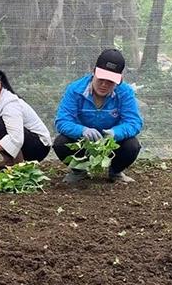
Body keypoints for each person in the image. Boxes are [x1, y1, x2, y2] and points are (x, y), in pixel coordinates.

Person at [53, 48, 143, 184]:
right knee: (61, 143)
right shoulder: (75, 89)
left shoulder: (125, 92)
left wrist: (115, 133)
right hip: (82, 143)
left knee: (132, 145)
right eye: (101, 79)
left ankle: (116, 172)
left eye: (110, 81)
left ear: (119, 80)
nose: (104, 84)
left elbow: (134, 122)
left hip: (112, 145)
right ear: (93, 71)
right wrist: (82, 131)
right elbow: (62, 121)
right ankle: (79, 171)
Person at [0, 67, 51, 166]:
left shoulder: (11, 104)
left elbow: (16, 139)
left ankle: (19, 165)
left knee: (0, 123)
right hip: (20, 140)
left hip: (38, 147)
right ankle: (9, 160)